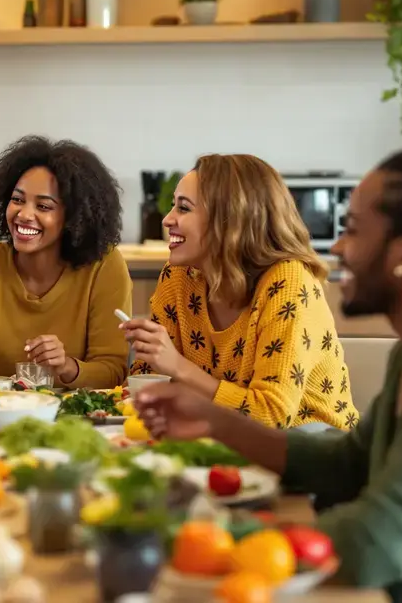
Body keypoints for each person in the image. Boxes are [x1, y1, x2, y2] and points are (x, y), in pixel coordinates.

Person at [134, 147, 402, 601]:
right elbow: (349, 464)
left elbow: (378, 541)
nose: (338, 248)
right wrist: (214, 420)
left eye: (354, 230)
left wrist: (220, 540)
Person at [122, 154, 355, 430]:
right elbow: (148, 379)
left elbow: (272, 416)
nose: (166, 220)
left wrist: (179, 368)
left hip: (311, 445)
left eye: (183, 208)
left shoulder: (289, 282)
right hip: (217, 432)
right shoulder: (178, 276)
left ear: (229, 219)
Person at [0, 136, 132, 388]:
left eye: (43, 206)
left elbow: (113, 372)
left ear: (74, 216)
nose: (24, 215)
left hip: (74, 420)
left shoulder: (104, 266)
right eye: (17, 200)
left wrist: (66, 366)